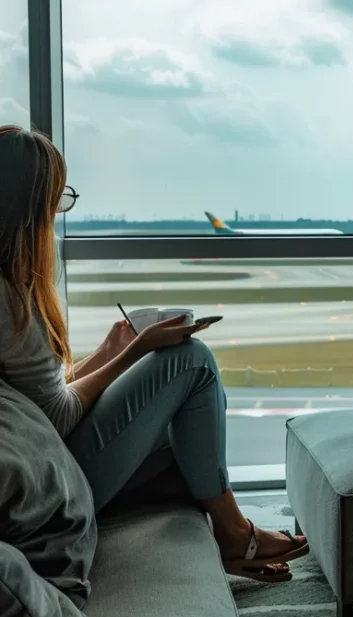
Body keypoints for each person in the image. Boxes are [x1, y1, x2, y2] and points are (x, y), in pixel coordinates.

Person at [0, 125, 307, 583]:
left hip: (50, 458)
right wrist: (138, 350)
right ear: (30, 208)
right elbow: (57, 416)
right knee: (192, 361)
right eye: (57, 200)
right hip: (59, 480)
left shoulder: (12, 287)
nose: (58, 214)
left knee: (184, 433)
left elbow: (44, 396)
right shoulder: (9, 301)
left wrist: (108, 350)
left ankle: (232, 529)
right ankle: (234, 533)